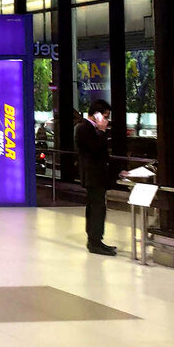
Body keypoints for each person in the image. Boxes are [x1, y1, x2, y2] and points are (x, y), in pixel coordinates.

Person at [76, 99, 116, 256]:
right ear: (97, 115)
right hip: (92, 176)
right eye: (105, 116)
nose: (106, 120)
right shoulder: (84, 128)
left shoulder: (92, 129)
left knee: (98, 207)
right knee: (96, 208)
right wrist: (102, 131)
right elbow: (96, 148)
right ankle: (94, 241)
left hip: (98, 175)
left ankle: (97, 239)